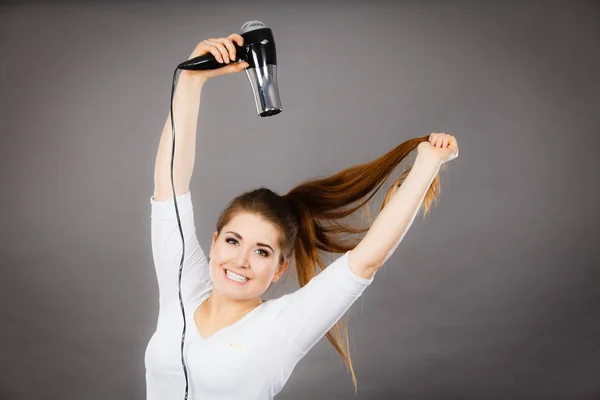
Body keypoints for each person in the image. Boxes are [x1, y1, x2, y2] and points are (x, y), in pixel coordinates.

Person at [144, 33, 459, 400]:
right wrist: (191, 79)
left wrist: (427, 165)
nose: (241, 261)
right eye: (233, 241)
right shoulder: (183, 285)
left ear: (279, 268)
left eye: (262, 251)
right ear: (214, 244)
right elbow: (170, 181)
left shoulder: (283, 325)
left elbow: (365, 261)